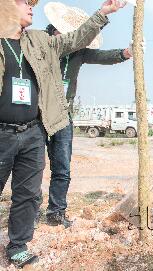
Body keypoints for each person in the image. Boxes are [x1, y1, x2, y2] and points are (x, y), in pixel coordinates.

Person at [0, 0, 125, 267]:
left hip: (37, 128)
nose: (31, 7)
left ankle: (19, 244)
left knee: (28, 192)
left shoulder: (38, 42)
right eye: (24, 2)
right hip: (2, 133)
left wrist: (102, 13)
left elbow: (80, 39)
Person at [37, 23, 134, 228]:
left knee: (62, 168)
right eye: (62, 32)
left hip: (64, 117)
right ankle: (30, 209)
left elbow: (101, 56)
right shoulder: (41, 47)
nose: (67, 37)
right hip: (38, 115)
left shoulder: (77, 53)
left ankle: (56, 212)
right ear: (53, 32)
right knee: (32, 166)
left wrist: (125, 53)